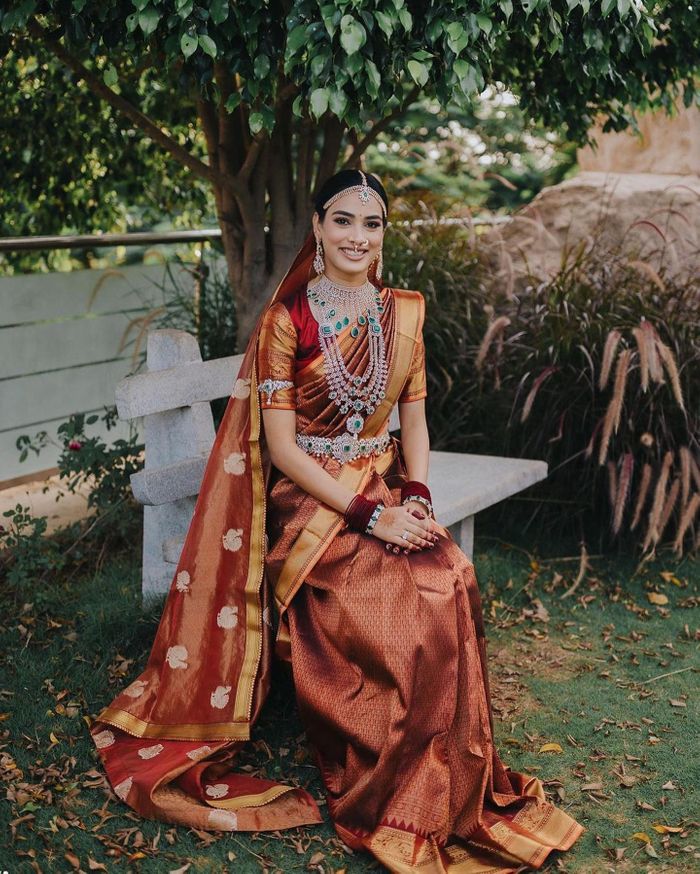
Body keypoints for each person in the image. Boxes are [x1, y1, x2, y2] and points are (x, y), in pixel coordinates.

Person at [90, 169, 584, 872]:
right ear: (318, 229)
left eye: (372, 224)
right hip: (311, 502)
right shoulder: (287, 321)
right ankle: (386, 786)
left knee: (448, 580)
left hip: (385, 488)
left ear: (383, 234)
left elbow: (416, 418)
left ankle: (446, 784)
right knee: (390, 600)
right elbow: (284, 450)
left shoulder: (402, 313)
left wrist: (413, 495)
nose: (358, 236)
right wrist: (367, 514)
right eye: (344, 221)